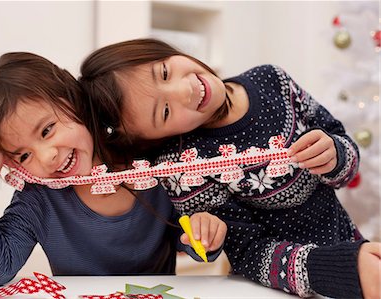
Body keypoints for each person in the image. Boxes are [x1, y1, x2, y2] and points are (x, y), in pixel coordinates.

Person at [78, 38, 381, 299]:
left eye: (165, 72)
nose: (186, 90)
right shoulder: (184, 166)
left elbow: (347, 162)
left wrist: (335, 155)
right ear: (157, 139)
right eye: (166, 111)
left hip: (356, 252)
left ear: (164, 50)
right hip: (283, 285)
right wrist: (336, 267)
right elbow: (249, 252)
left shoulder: (272, 80)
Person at [0, 52, 227, 288]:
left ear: (75, 102)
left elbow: (189, 242)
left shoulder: (151, 167)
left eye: (47, 130)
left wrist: (203, 233)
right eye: (24, 154)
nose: (48, 157)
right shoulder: (37, 200)